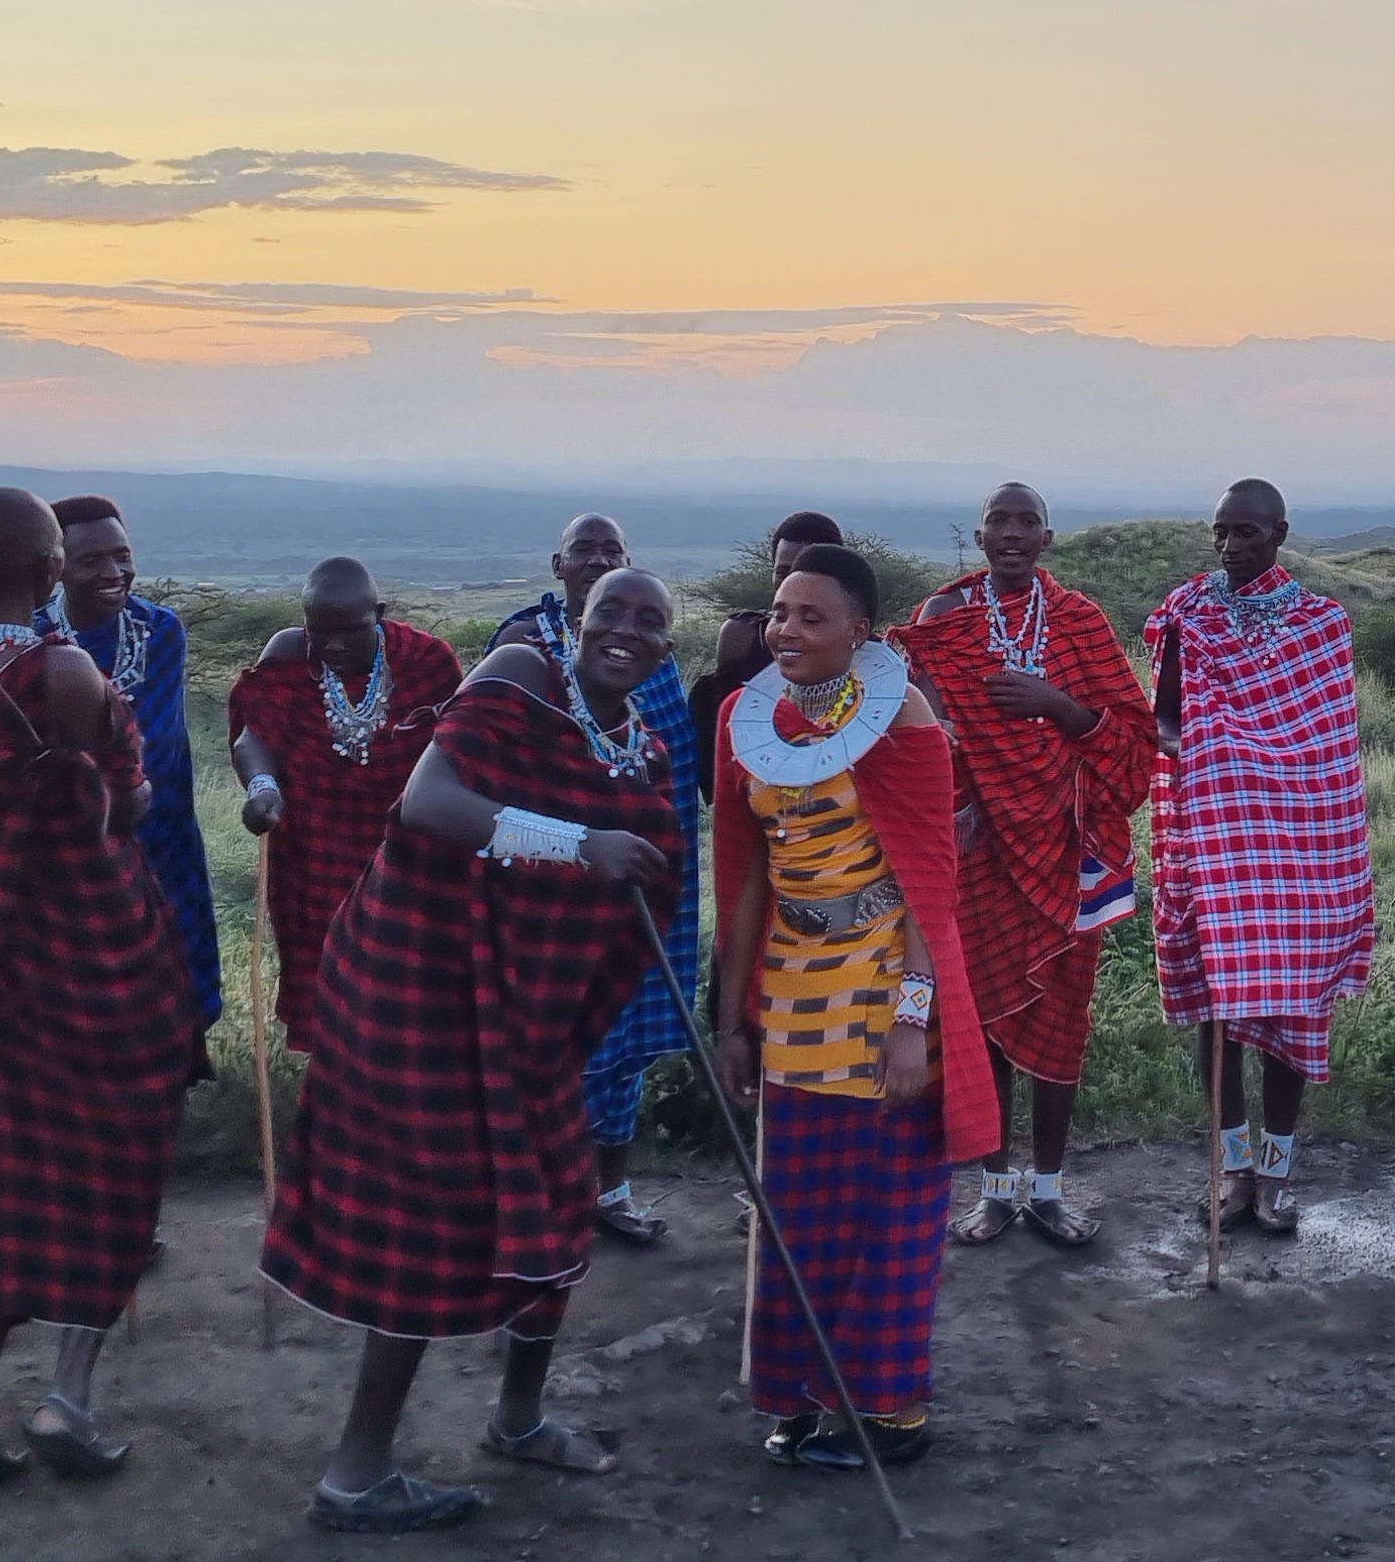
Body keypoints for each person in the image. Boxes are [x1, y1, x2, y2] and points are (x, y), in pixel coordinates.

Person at [264, 571, 690, 1534]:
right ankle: (356, 1476)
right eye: (609, 613)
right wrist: (581, 844)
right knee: (432, 1215)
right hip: (414, 984)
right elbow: (427, 802)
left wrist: (624, 876)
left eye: (649, 621)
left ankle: (518, 1418)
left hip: (522, 1008)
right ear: (575, 624)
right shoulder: (519, 675)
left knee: (561, 1195)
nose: (625, 630)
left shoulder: (644, 754)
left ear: (669, 650)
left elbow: (644, 872)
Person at [0, 488, 202, 1486]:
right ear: (45, 570)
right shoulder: (60, 671)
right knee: (112, 1156)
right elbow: (131, 802)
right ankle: (66, 1395)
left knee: (11, 1166)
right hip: (86, 950)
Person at [711, 545, 998, 1472]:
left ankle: (888, 1413)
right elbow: (744, 876)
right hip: (791, 986)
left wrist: (913, 1021)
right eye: (778, 612)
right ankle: (800, 1393)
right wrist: (732, 1020)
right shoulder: (743, 717)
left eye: (811, 616)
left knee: (887, 1210)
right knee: (796, 1208)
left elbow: (928, 881)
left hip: (884, 983)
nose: (784, 630)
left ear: (859, 632)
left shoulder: (902, 718)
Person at [890, 483, 1152, 1246]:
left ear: (1046, 539)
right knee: (985, 1020)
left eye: (1026, 521)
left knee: (1062, 1024)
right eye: (997, 521)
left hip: (1070, 852)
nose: (1011, 532)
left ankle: (1048, 1191)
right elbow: (926, 735)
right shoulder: (944, 618)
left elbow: (1132, 740)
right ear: (978, 537)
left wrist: (1059, 706)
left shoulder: (1079, 621)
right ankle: (996, 1190)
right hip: (981, 853)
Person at [1149, 479, 1372, 1234]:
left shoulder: (1322, 623)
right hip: (1215, 836)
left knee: (1292, 1006)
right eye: (1220, 531)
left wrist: (1255, 766)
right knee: (1218, 1012)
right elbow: (1166, 721)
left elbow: (1329, 745)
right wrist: (1216, 760)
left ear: (1279, 533)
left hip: (1298, 845)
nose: (1230, 546)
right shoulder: (1188, 612)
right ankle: (1232, 1169)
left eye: (1246, 532)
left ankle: (1276, 1175)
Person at [490, 515, 707, 1242]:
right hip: (559, 888)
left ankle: (610, 1192)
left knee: (629, 1041)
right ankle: (539, 1202)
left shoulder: (653, 652)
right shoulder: (524, 648)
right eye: (583, 550)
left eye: (611, 551)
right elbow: (494, 782)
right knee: (560, 1047)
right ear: (558, 566)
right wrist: (582, 842)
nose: (597, 560)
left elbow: (672, 760)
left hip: (650, 879)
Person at [230, 557, 463, 1054]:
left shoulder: (427, 662)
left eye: (350, 631)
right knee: (325, 978)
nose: (332, 646)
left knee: (403, 982)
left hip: (402, 855)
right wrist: (263, 787)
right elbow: (255, 733)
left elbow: (458, 751)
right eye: (320, 631)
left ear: (378, 614)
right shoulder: (290, 657)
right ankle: (332, 1082)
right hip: (314, 855)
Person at [39, 495, 221, 1028]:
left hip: (162, 832)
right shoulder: (31, 637)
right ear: (57, 567)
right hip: (70, 847)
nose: (114, 572)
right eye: (91, 560)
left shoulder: (159, 630)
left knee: (175, 979)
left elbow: (157, 741)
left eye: (122, 556)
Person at [687, 510, 850, 743]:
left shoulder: (859, 647)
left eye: (805, 573)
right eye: (783, 573)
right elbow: (721, 732)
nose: (792, 583)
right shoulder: (743, 637)